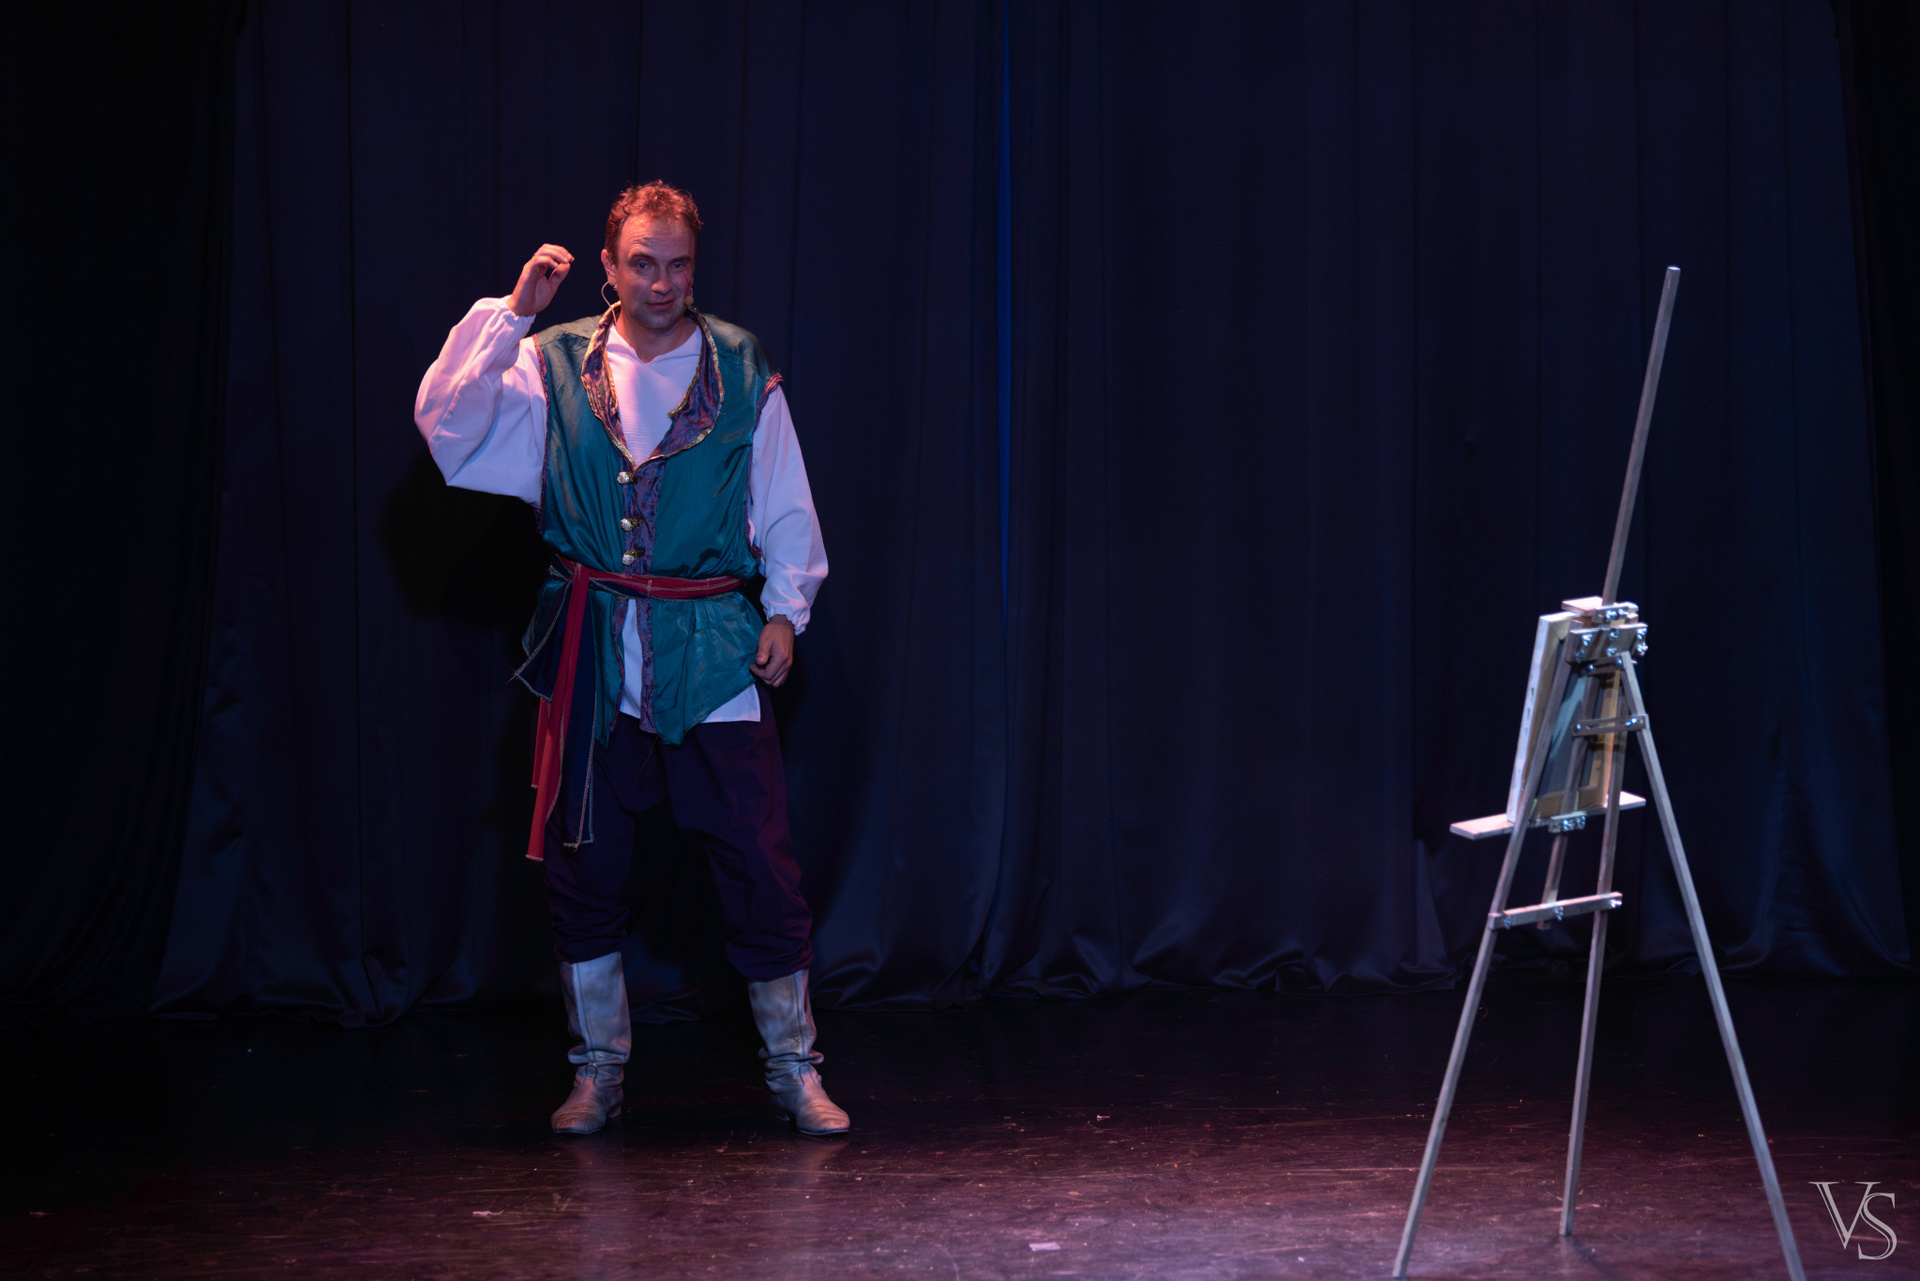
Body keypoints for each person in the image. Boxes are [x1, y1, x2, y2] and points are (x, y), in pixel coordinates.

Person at [413, 181, 846, 1138]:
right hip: (593, 653)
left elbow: (783, 495)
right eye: (642, 263)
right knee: (585, 863)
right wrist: (513, 313)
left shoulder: (740, 364)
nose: (662, 282)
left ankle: (793, 1065)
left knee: (758, 861)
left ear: (695, 267)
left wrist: (786, 609)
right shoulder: (552, 364)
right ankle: (597, 1070)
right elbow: (449, 432)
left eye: (678, 264)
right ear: (609, 267)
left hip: (712, 647)